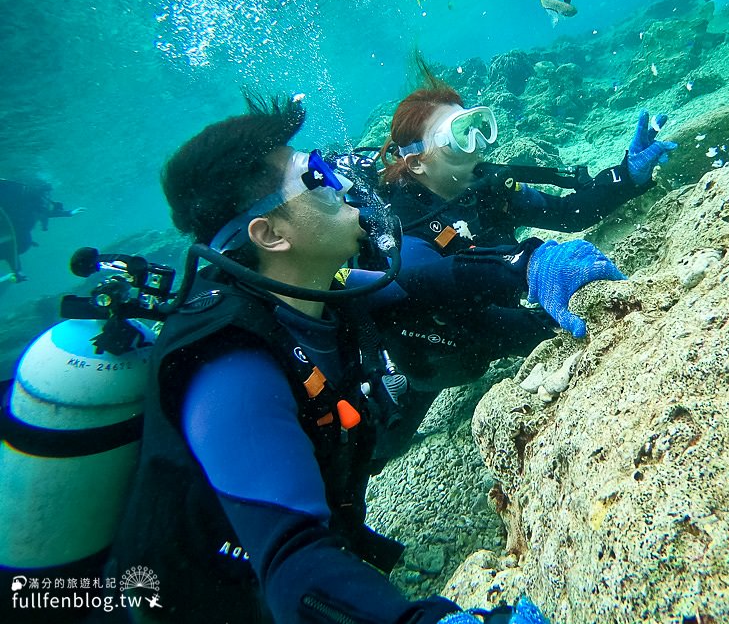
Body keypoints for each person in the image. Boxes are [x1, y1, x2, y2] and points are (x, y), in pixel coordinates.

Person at [107, 93, 622, 623]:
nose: (347, 184)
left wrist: (529, 264)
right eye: (318, 178)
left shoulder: (315, 293)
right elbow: (293, 565)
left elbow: (417, 280)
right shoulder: (233, 363)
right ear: (270, 234)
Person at [365, 59, 675, 455]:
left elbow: (568, 212)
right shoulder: (401, 222)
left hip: (494, 316)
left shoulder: (488, 189)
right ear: (417, 161)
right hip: (439, 344)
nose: (477, 143)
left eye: (477, 127)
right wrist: (524, 265)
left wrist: (625, 177)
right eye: (460, 135)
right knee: (386, 441)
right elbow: (419, 275)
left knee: (564, 328)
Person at [0, 177, 82, 282]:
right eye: (46, 193)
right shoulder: (25, 200)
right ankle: (17, 272)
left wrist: (68, 213)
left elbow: (43, 212)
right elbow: (43, 212)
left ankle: (17, 272)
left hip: (15, 236)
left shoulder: (29, 200)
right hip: (14, 236)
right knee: (18, 245)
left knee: (17, 245)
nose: (47, 197)